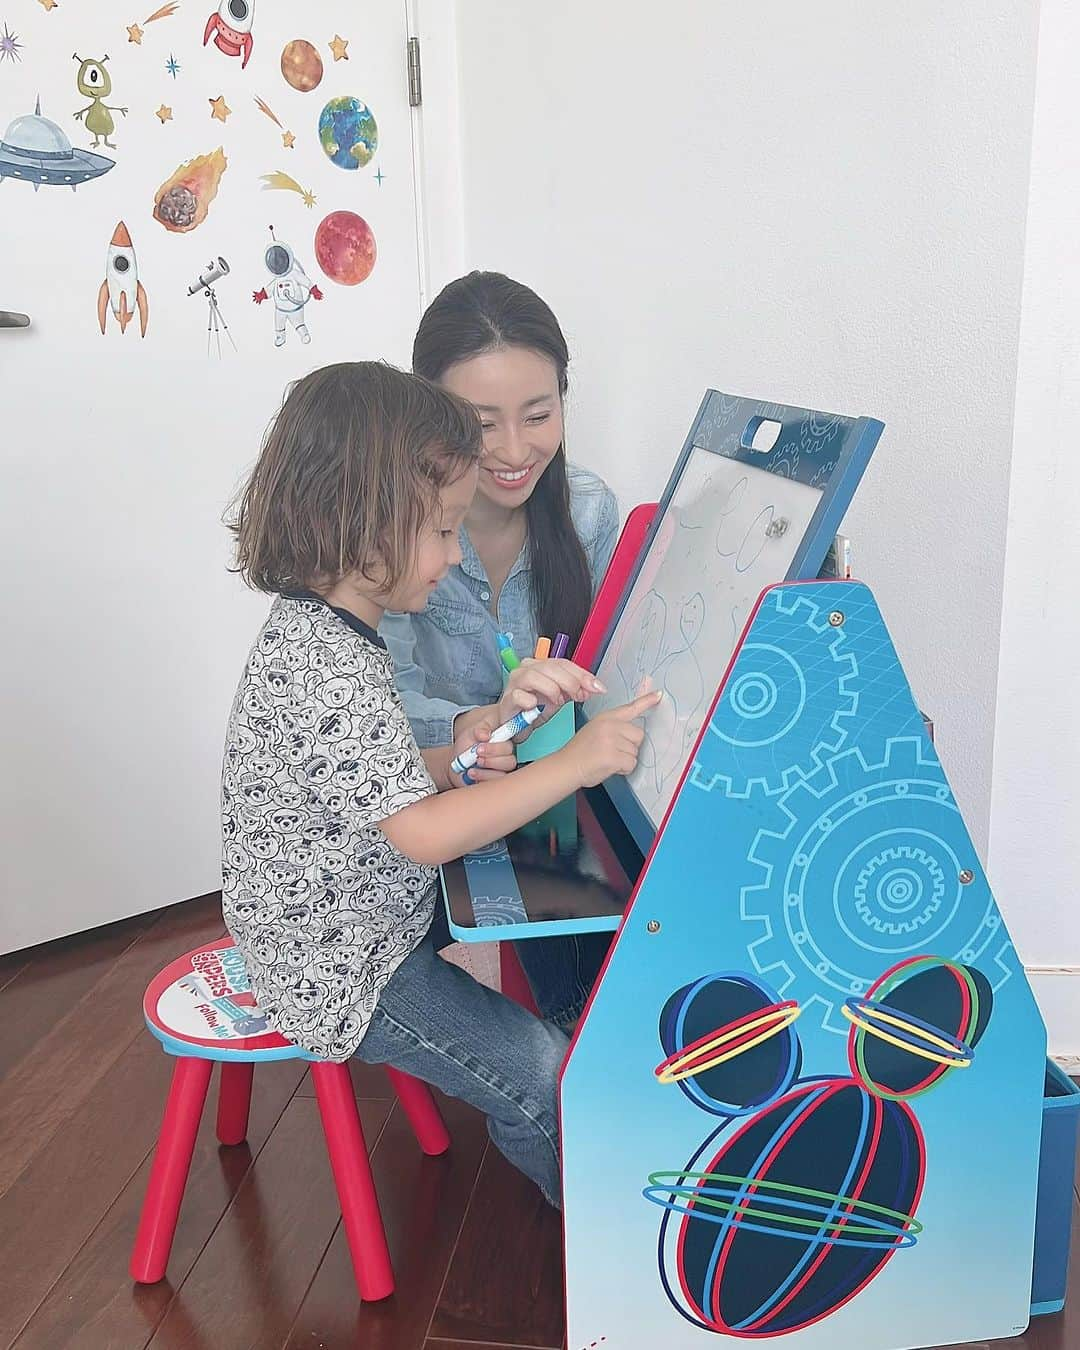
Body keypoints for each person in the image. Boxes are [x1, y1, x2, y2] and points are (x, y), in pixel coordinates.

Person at [221, 361, 659, 1206]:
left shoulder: (333, 628)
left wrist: (462, 751)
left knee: (545, 881)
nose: (455, 554)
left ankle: (581, 1044)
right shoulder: (327, 666)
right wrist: (574, 762)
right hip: (345, 968)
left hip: (361, 913)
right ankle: (602, 1244)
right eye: (441, 531)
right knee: (538, 1075)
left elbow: (370, 781)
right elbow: (418, 832)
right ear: (358, 524)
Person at [381, 272, 620, 1028]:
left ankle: (584, 1044)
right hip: (424, 813)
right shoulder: (383, 538)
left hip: (551, 811)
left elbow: (613, 664)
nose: (515, 450)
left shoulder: (586, 510)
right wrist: (471, 725)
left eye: (539, 414)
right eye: (480, 424)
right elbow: (378, 706)